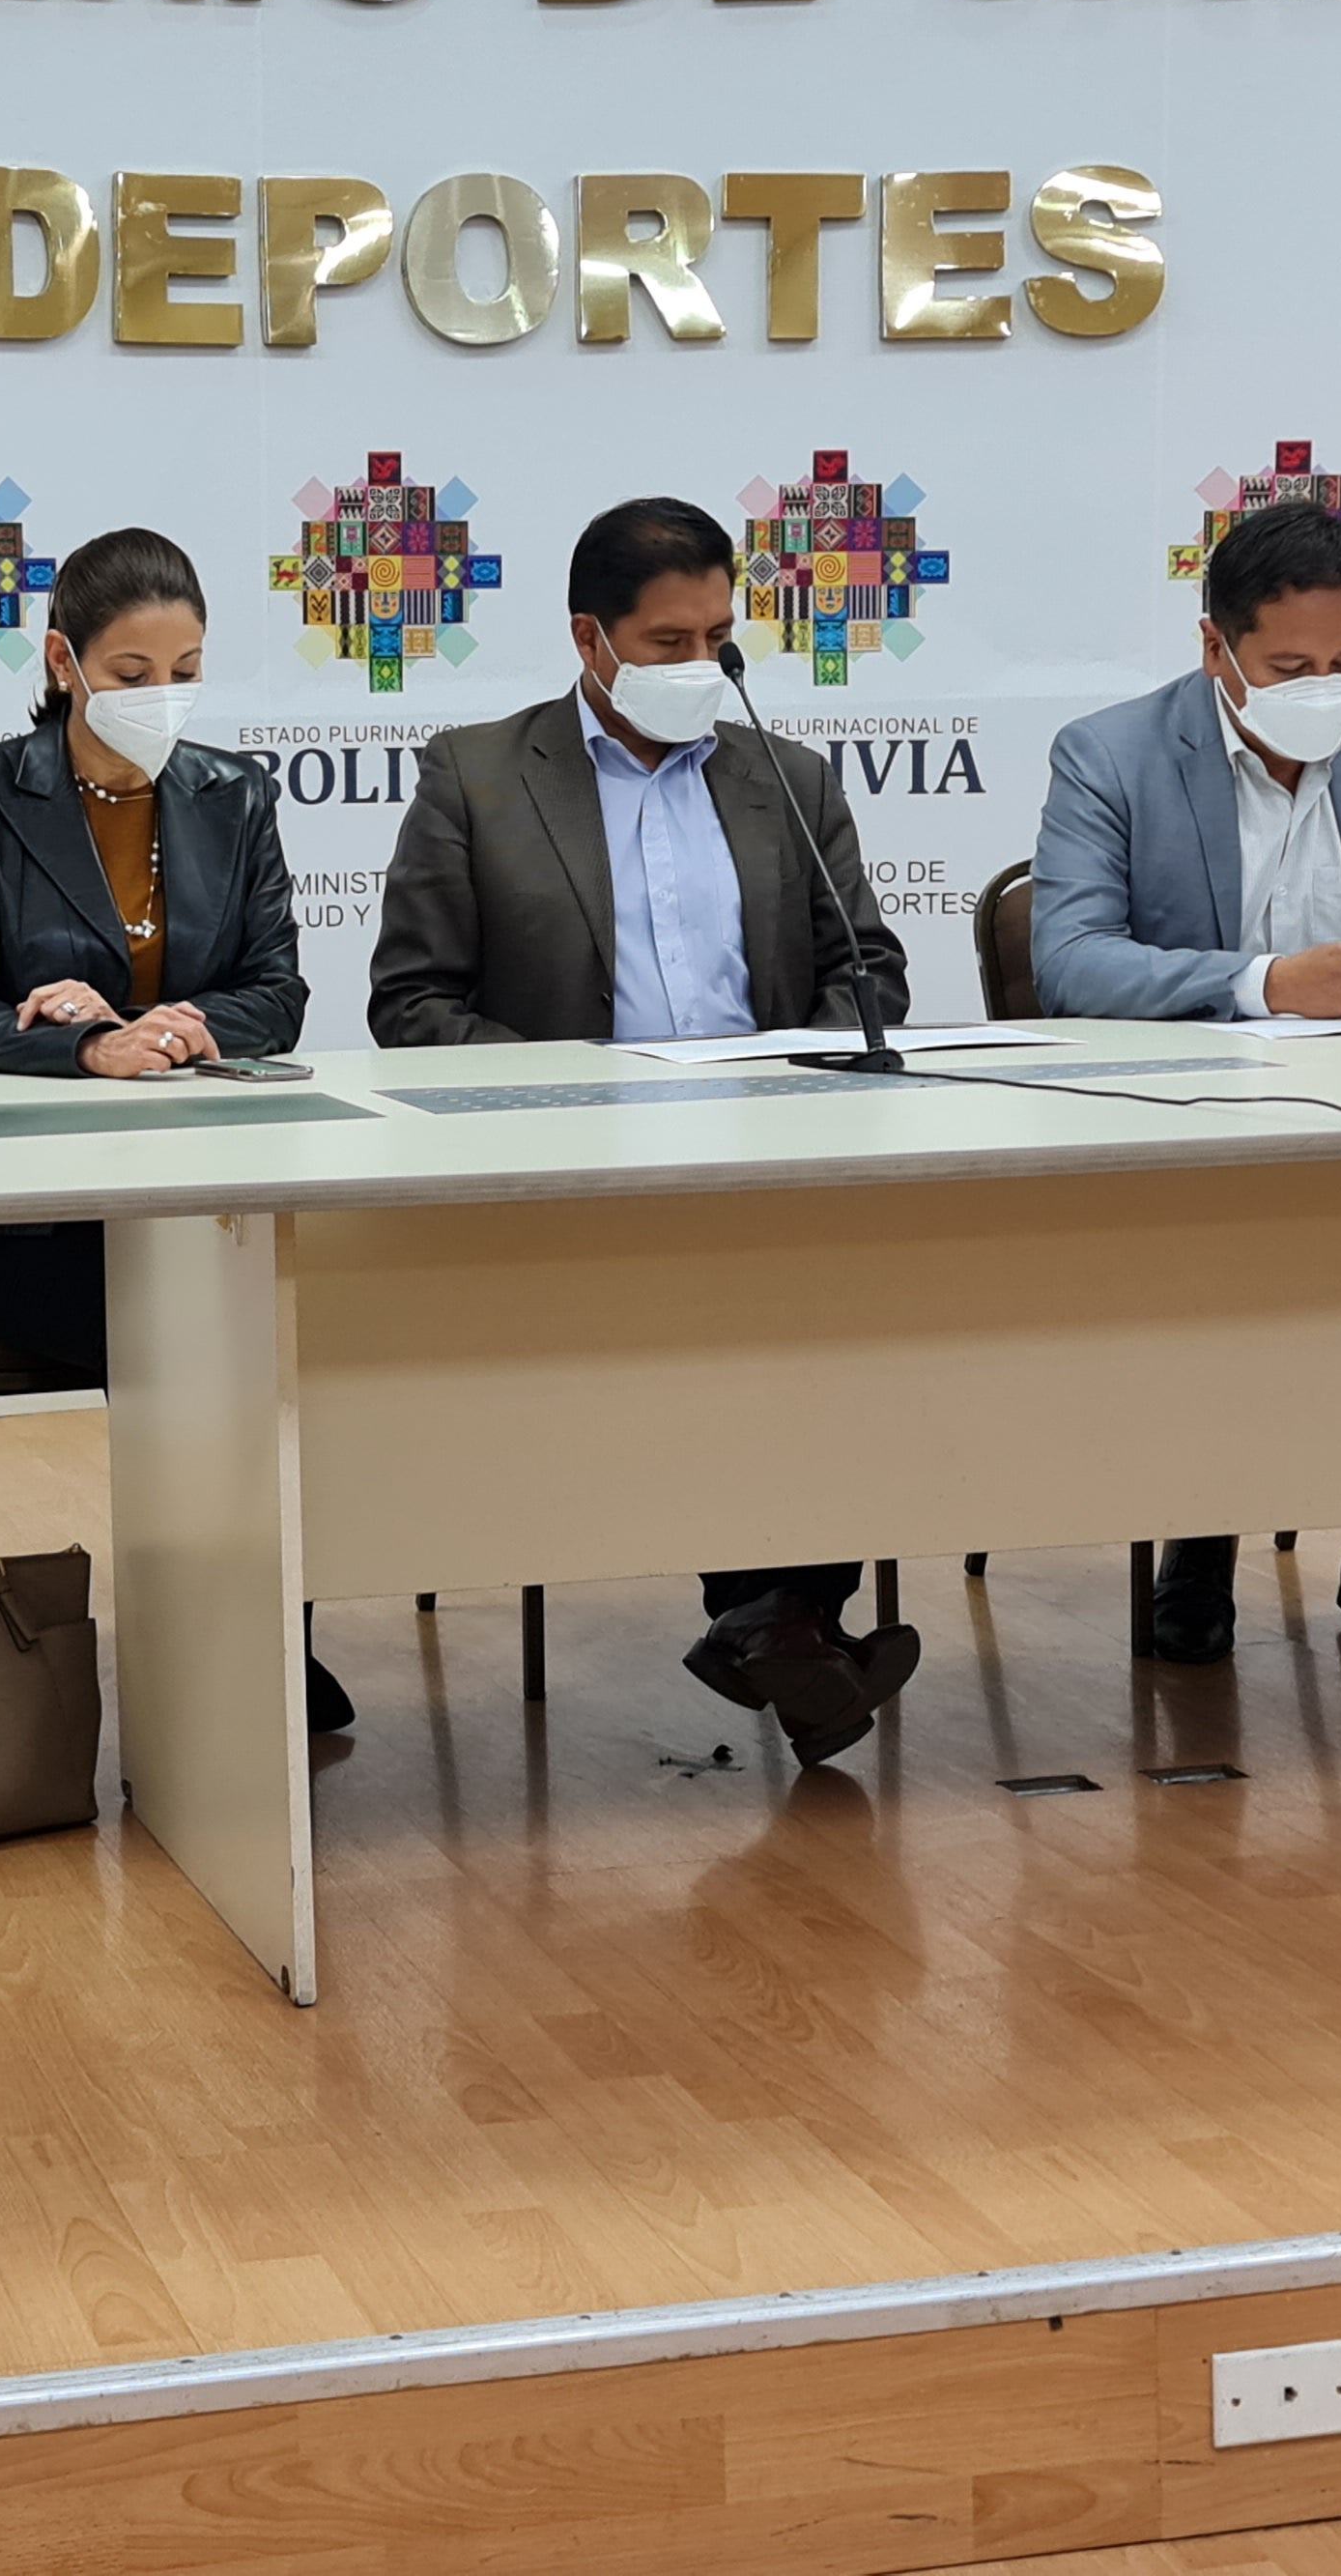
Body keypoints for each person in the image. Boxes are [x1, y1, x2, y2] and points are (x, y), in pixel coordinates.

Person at [369, 496, 918, 1767]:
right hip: (570, 1173)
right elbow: (413, 1006)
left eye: (718, 640)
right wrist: (579, 1100)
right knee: (719, 1307)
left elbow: (868, 972)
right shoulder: (478, 777)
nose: (700, 667)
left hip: (765, 1158)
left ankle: (776, 1619)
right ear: (590, 639)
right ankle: (781, 1618)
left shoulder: (789, 779)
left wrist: (794, 1084)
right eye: (669, 644)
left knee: (836, 1299)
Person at [1029, 495, 1341, 1665]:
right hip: (1187, 1124)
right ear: (1216, 648)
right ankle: (1199, 1540)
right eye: (1292, 667)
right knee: (1236, 1263)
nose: (1325, 689)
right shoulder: (1109, 753)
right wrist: (1267, 983)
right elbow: (1069, 961)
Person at [0, 530, 345, 1730]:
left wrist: (181, 1024)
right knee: (206, 1338)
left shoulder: (234, 795)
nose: (164, 697)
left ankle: (261, 1635)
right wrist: (82, 1045)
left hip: (201, 1192)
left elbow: (277, 992)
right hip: (33, 1218)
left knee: (280, 1320)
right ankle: (221, 1653)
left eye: (185, 671)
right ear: (64, 664)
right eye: (133, 673)